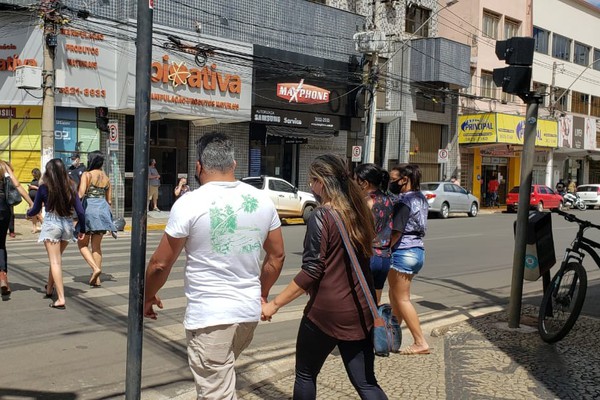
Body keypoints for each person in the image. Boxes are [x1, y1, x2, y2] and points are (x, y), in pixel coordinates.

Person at [144, 132, 285, 400]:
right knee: (219, 381)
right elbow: (277, 256)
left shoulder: (189, 202)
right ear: (233, 164)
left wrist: (148, 296)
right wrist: (262, 292)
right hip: (247, 314)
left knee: (216, 393)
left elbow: (160, 264)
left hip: (211, 318)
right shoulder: (263, 201)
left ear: (198, 166)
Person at [261, 154, 388, 400]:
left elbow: (311, 270)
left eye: (312, 181)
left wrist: (273, 304)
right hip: (360, 311)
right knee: (366, 383)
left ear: (322, 182)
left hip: (325, 314)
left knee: (306, 375)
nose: (310, 187)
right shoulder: (359, 212)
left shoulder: (322, 216)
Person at [27, 158, 86, 309]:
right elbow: (80, 211)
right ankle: (49, 288)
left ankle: (60, 298)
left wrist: (29, 212)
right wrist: (82, 229)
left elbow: (35, 210)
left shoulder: (44, 187)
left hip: (52, 223)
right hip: (67, 225)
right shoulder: (71, 186)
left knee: (55, 262)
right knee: (56, 260)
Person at [388, 164, 430, 355]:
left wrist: (384, 247)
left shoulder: (404, 200)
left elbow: (396, 231)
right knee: (395, 296)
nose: (391, 182)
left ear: (404, 179)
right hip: (417, 250)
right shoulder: (420, 198)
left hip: (403, 251)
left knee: (402, 298)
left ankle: (420, 341)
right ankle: (392, 338)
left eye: (393, 179)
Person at [354, 163, 394, 304]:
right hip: (384, 258)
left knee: (362, 303)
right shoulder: (388, 199)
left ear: (364, 183)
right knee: (375, 303)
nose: (354, 183)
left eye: (356, 180)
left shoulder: (366, 201)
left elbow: (359, 230)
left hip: (368, 256)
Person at [77, 151, 117, 288]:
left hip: (89, 211)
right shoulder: (106, 177)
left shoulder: (86, 175)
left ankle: (95, 269)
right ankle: (97, 279)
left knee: (82, 244)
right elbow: (109, 200)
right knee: (97, 247)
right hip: (103, 212)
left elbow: (81, 193)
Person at [0, 160, 34, 295]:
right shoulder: (3, 166)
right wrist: (31, 203)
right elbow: (18, 185)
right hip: (3, 208)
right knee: (1, 244)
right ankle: (3, 276)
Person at [28, 168, 42, 233]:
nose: (33, 175)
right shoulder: (33, 180)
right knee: (33, 214)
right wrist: (30, 188)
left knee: (38, 214)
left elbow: (42, 189)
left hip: (38, 199)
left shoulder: (41, 180)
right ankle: (34, 227)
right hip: (32, 199)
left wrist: (34, 187)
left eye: (33, 173)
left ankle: (45, 227)